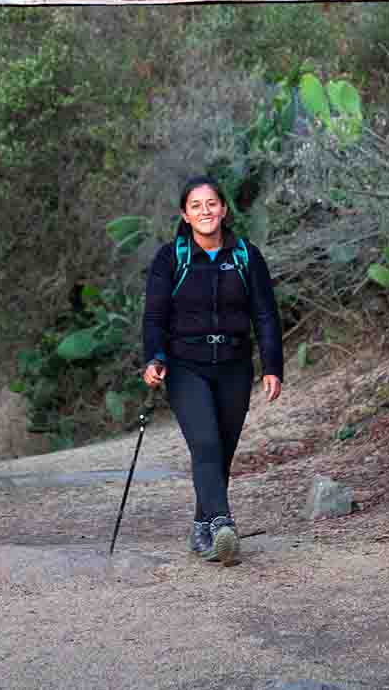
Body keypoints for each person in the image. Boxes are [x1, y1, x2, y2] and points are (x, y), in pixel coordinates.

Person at [141, 174, 283, 567]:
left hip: (235, 366)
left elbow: (265, 314)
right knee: (204, 444)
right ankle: (223, 525)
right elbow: (154, 316)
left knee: (222, 451)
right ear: (185, 215)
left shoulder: (246, 256)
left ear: (223, 209)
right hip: (186, 366)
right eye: (196, 206)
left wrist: (272, 366)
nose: (205, 212)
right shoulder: (171, 258)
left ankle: (202, 525)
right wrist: (154, 358)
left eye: (211, 204)